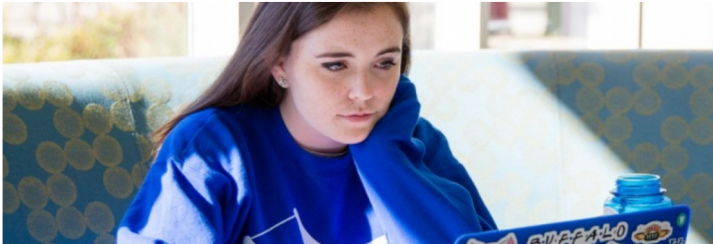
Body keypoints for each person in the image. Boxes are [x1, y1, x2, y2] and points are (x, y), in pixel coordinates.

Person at [117, 3, 497, 243]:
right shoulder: (215, 148)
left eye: (385, 63)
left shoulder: (415, 143)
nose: (364, 92)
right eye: (335, 65)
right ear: (279, 64)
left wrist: (384, 157)